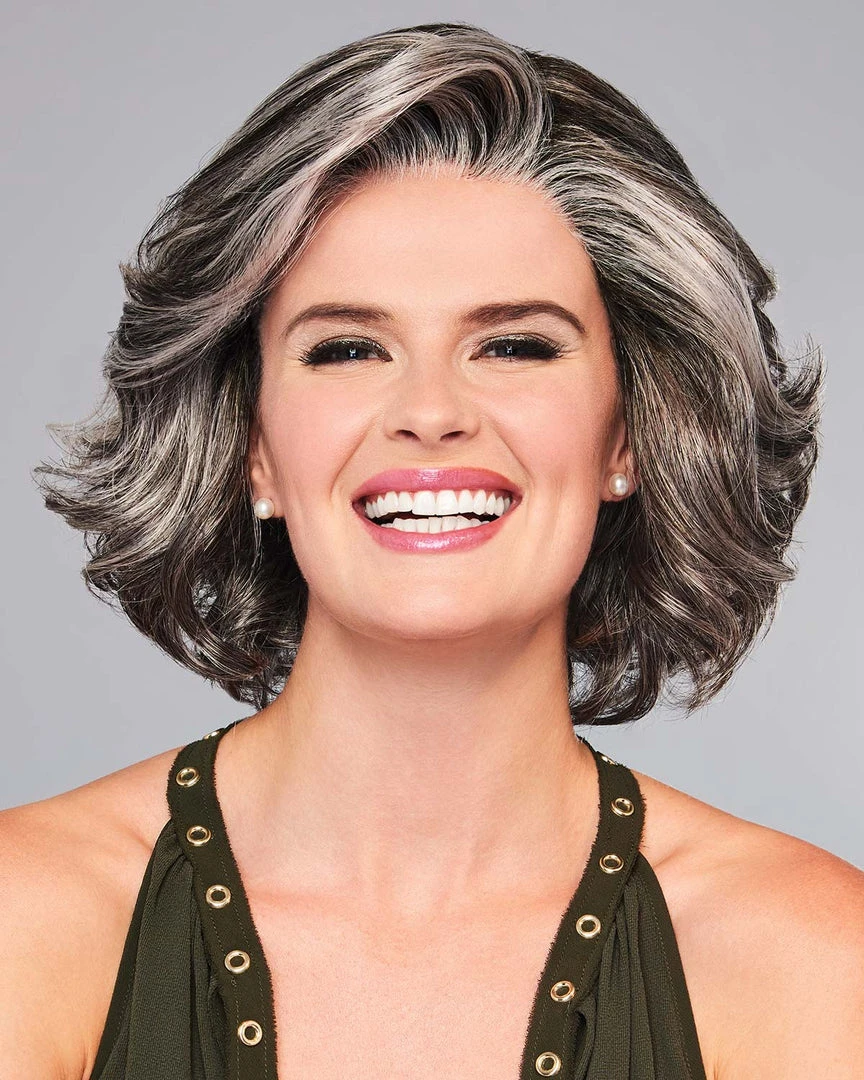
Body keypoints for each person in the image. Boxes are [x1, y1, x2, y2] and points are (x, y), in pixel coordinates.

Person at [2, 19, 862, 1080]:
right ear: (252, 446)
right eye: (347, 349)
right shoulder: (26, 921)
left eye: (514, 345)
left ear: (629, 437)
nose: (431, 411)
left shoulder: (811, 958)